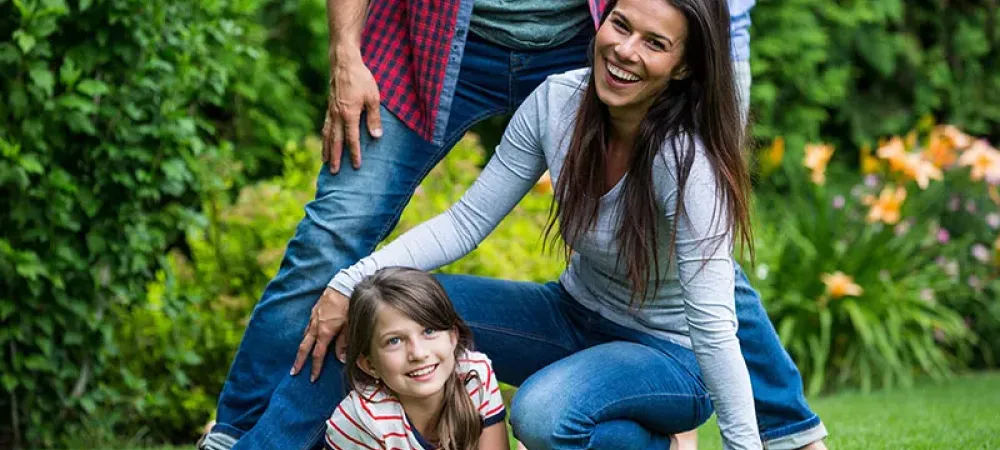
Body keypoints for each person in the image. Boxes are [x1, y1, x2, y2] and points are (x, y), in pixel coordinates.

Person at [200, 0, 829, 448]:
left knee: (544, 413)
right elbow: (467, 221)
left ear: (685, 66)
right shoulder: (559, 100)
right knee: (379, 308)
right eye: (620, 25)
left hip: (669, 358)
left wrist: (749, 445)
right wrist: (351, 280)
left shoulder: (689, 160)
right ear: (600, 18)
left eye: (655, 44)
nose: (625, 51)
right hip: (571, 316)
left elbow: (718, 324)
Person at [325, 267, 508, 450]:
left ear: (452, 337)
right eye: (394, 341)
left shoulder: (474, 375)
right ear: (369, 365)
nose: (419, 354)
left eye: (429, 331)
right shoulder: (361, 420)